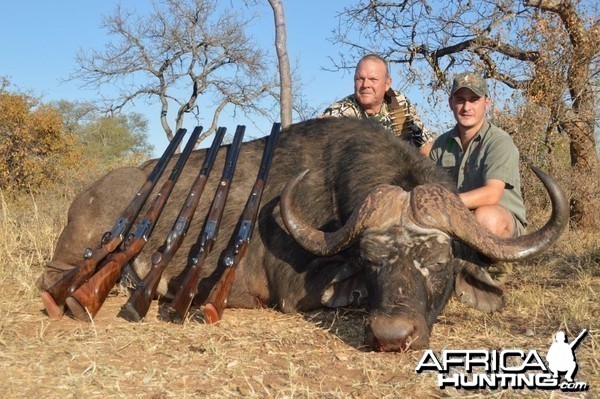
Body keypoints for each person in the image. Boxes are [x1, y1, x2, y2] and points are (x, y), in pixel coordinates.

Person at [429, 72, 526, 239]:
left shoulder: (499, 141)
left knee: (486, 218)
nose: (467, 107)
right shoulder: (440, 144)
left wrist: (446, 203)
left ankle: (497, 265)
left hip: (499, 220)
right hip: (456, 218)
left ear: (486, 103)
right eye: (460, 100)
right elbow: (429, 189)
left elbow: (492, 193)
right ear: (451, 103)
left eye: (474, 99)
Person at [321, 54, 436, 156]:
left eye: (373, 79)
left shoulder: (399, 102)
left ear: (387, 83)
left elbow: (425, 146)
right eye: (360, 79)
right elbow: (325, 129)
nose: (365, 84)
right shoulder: (341, 111)